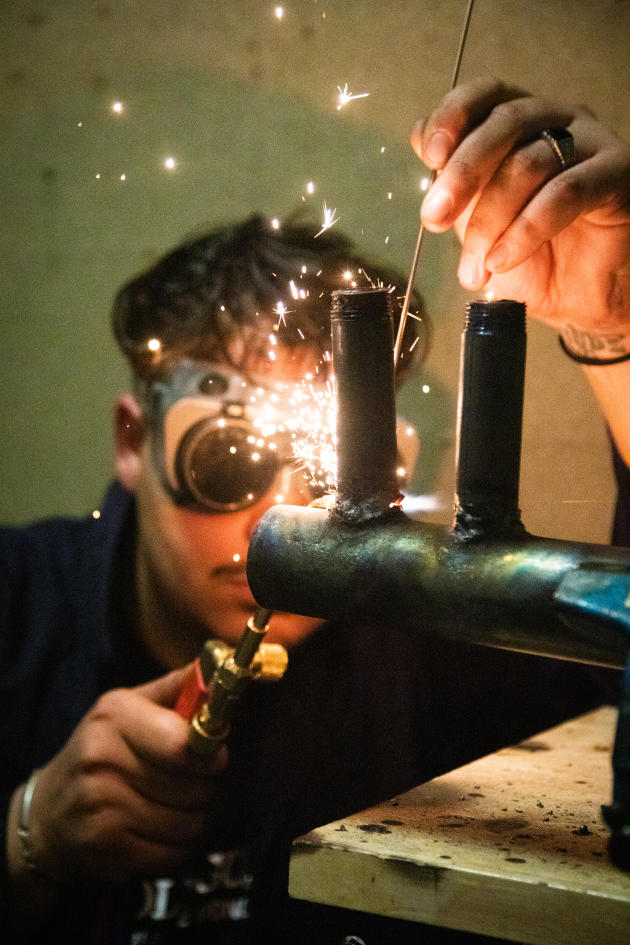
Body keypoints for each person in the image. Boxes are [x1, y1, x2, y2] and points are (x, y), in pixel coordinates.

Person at [1, 77, 628, 944]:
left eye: (325, 468)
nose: (282, 511)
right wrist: (27, 836)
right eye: (226, 463)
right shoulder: (13, 608)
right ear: (132, 438)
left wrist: (615, 329)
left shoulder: (427, 642)